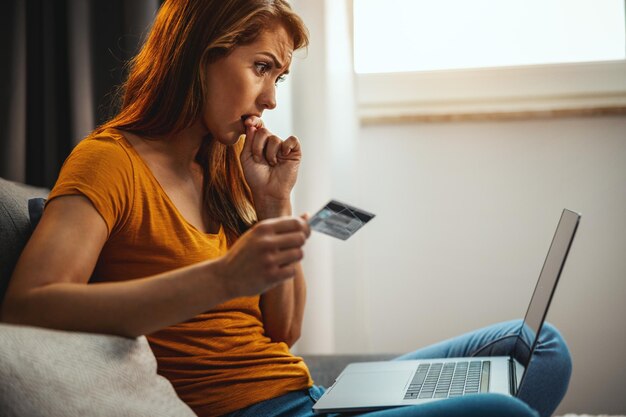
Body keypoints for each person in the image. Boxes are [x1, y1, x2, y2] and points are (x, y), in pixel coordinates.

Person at [1, 1, 571, 416]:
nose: (272, 97)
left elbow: (284, 329)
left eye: (279, 76)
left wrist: (274, 199)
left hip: (309, 399)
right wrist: (223, 276)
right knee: (504, 414)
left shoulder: (222, 166)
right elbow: (27, 305)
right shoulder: (109, 161)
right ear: (198, 56)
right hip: (250, 412)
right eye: (261, 67)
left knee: (540, 347)